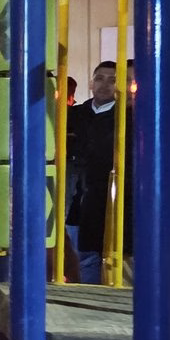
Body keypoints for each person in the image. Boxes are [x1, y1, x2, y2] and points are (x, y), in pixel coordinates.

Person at [66, 61, 125, 284]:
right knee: (75, 256)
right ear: (91, 83)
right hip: (74, 201)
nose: (105, 85)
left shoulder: (125, 118)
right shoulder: (73, 115)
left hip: (109, 201)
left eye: (113, 80)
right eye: (100, 78)